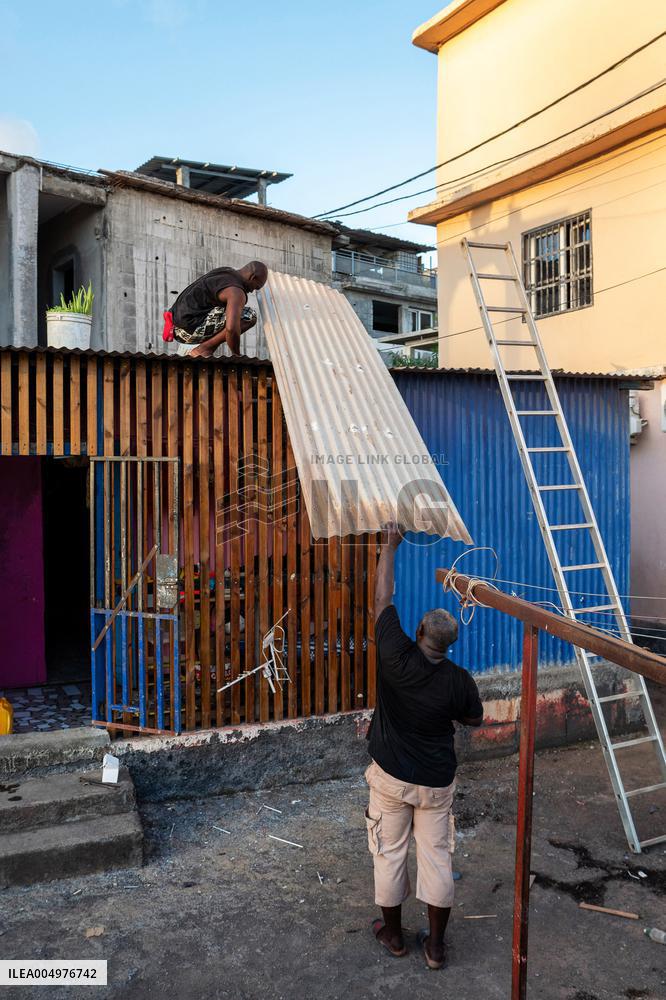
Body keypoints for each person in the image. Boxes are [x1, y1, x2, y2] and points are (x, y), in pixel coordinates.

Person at [365, 522, 483, 970]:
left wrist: (390, 547)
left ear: (418, 632)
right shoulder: (458, 681)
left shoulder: (395, 655)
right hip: (436, 783)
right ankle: (435, 948)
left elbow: (382, 600)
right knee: (436, 858)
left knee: (389, 854)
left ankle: (394, 937)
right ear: (449, 646)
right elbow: (474, 719)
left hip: (391, 778)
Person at [162, 261, 269, 358]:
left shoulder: (225, 272)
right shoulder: (236, 291)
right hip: (186, 332)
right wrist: (236, 355)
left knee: (228, 311)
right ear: (252, 277)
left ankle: (203, 348)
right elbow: (231, 329)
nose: (252, 291)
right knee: (249, 315)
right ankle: (204, 348)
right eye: (256, 287)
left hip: (176, 326)